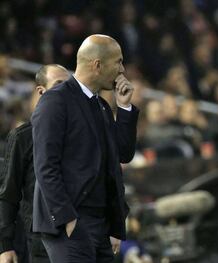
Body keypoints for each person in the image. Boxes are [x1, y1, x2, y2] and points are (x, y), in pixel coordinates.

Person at [31, 34, 139, 263]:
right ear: (97, 65)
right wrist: (67, 218)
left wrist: (125, 107)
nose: (122, 70)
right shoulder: (55, 101)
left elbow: (123, 153)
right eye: (118, 62)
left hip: (99, 222)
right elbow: (45, 165)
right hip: (70, 221)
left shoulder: (100, 105)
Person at [0, 64, 70, 263]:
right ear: (41, 91)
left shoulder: (81, 136)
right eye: (59, 84)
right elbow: (8, 194)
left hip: (79, 236)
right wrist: (5, 246)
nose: (66, 90)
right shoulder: (23, 137)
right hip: (39, 241)